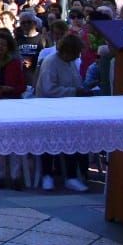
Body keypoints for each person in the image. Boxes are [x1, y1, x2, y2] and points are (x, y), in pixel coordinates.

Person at [34, 33, 93, 191]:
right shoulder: (51, 62)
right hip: (48, 110)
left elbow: (75, 81)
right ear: (67, 50)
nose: (77, 56)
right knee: (48, 141)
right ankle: (47, 175)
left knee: (71, 141)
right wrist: (75, 91)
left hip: (69, 110)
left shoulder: (70, 62)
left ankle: (71, 176)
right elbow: (48, 89)